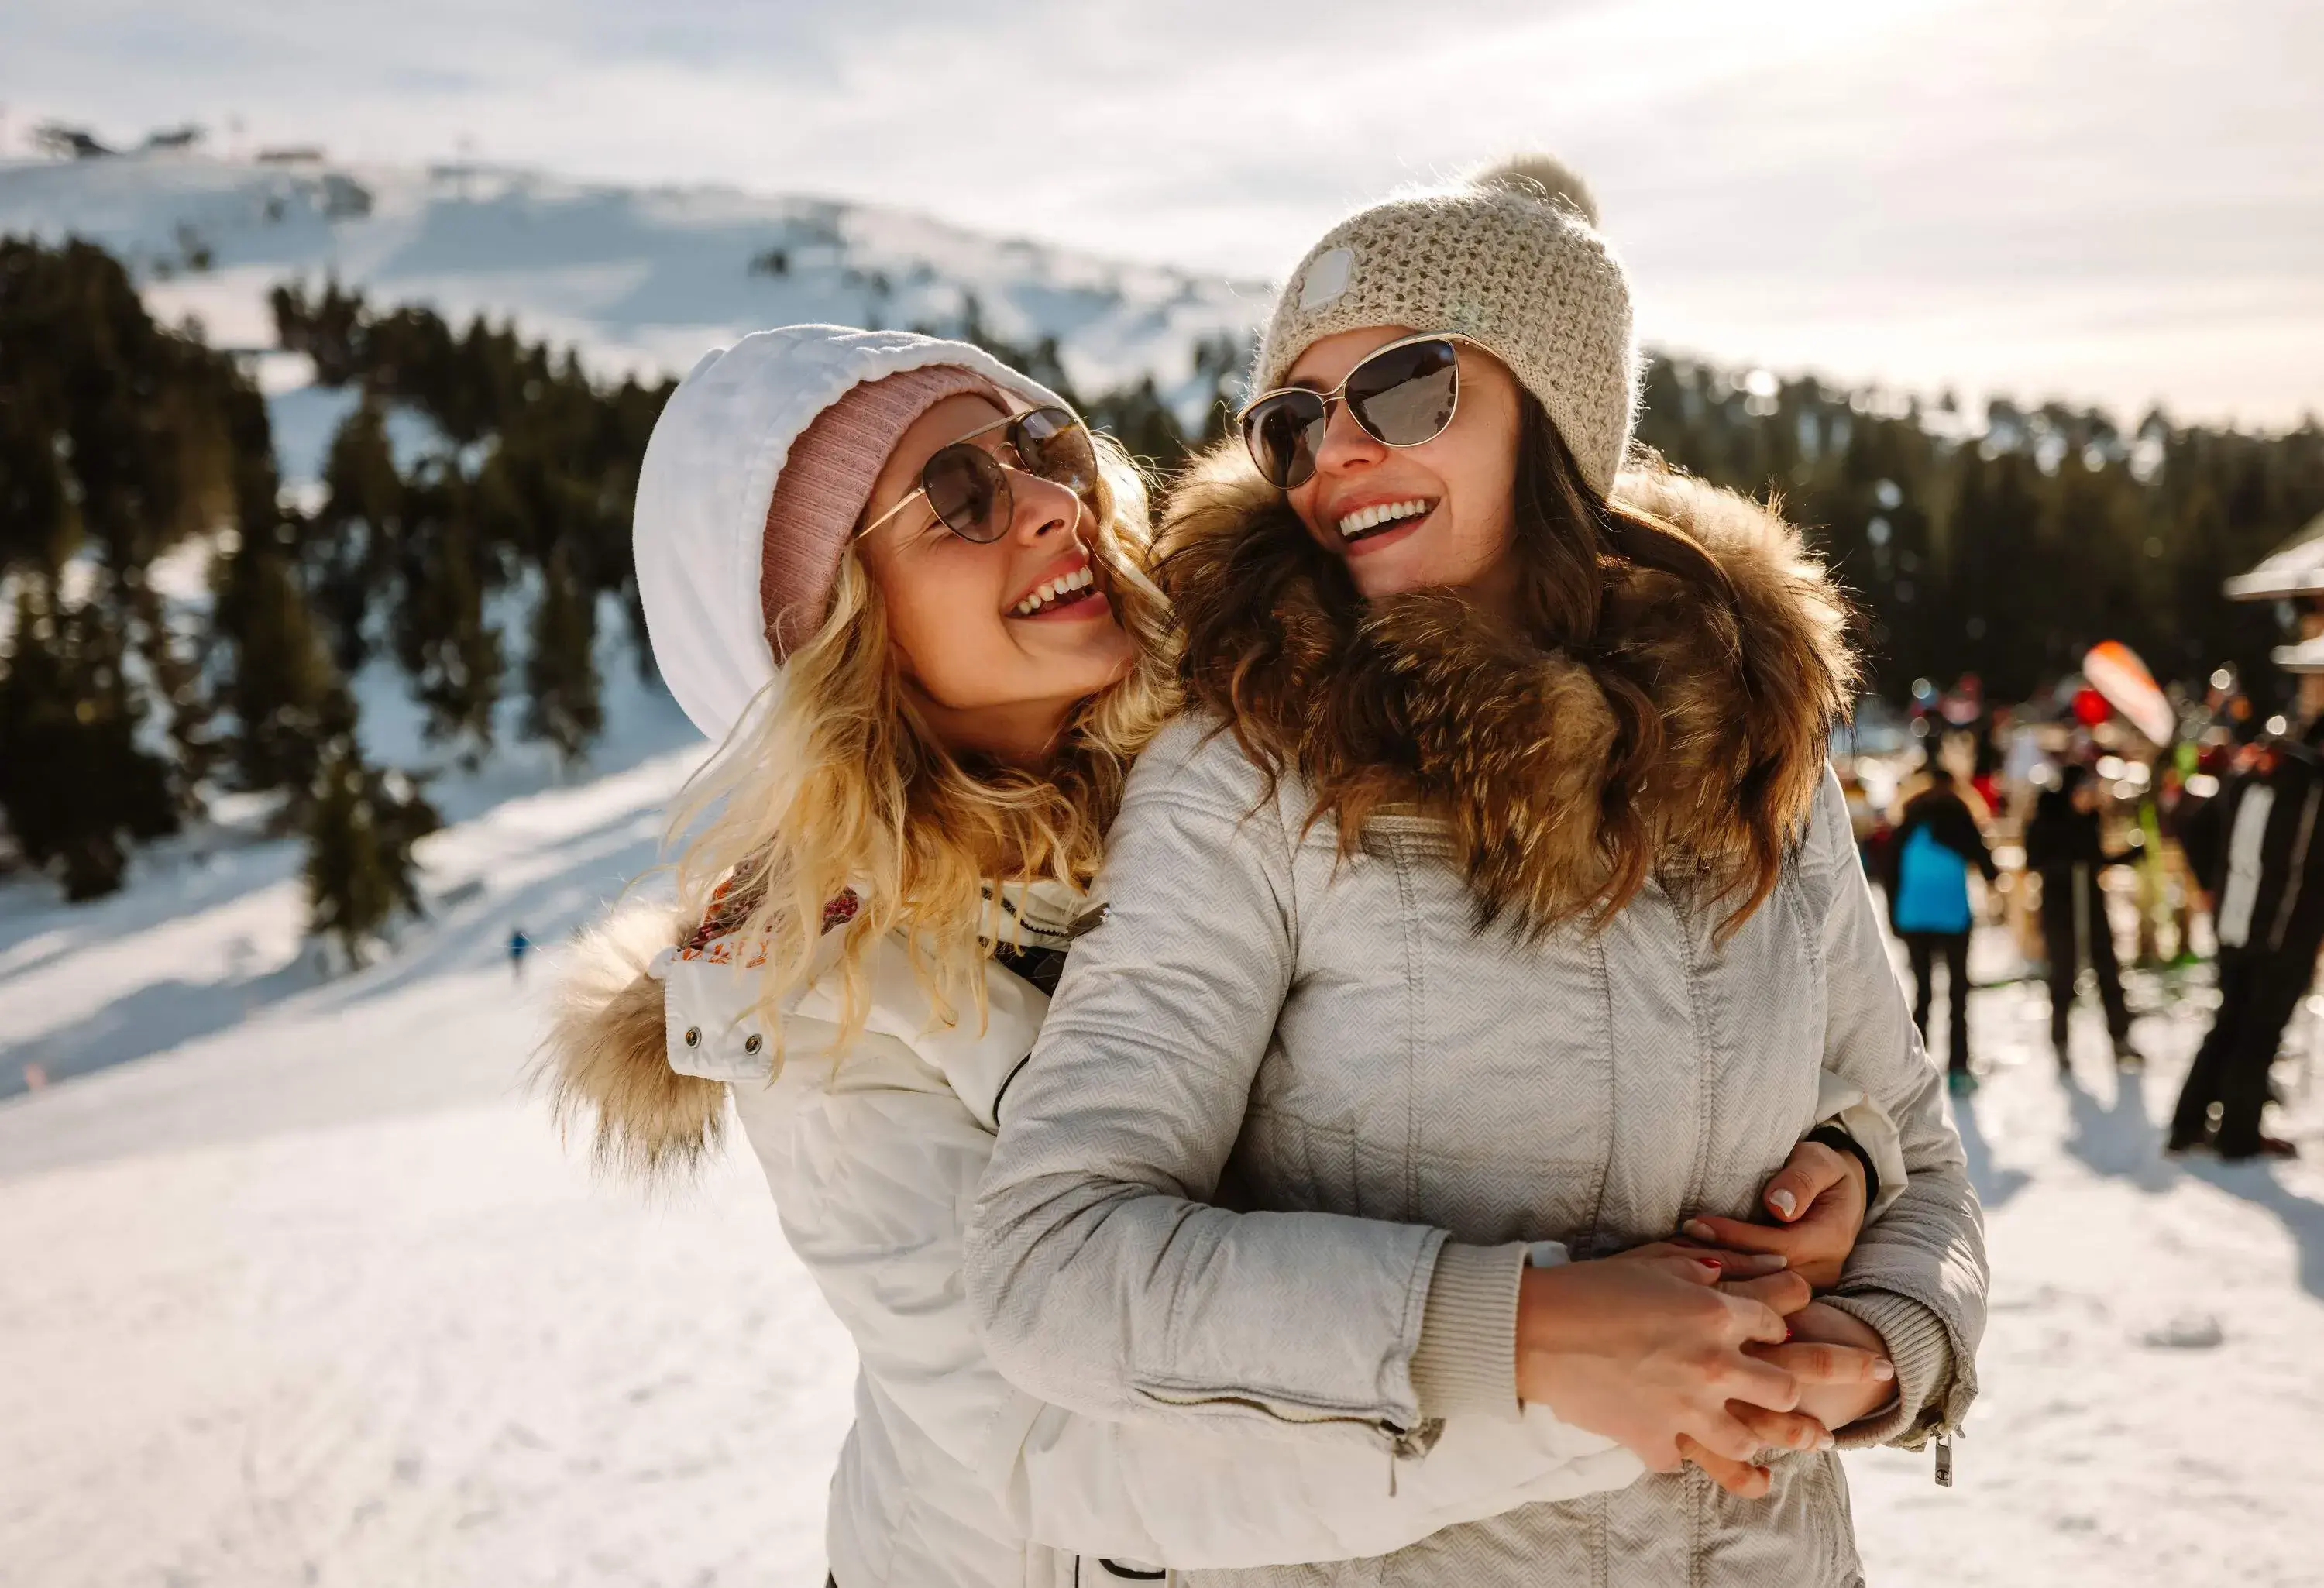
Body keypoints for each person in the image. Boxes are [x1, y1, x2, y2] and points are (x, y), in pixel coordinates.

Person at [536, 326, 1903, 1588]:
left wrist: (1818, 1143)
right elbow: (1082, 1456)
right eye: (958, 496)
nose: (1049, 501)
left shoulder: (1252, 734)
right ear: (827, 633)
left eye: (1042, 446)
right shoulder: (822, 1008)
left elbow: (1521, 998)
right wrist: (1583, 1372)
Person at [969, 156, 1985, 1587]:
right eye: (1292, 422)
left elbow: (1919, 1159)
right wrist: (1519, 1331)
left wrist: (1884, 1346)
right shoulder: (1253, 774)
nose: (1335, 454)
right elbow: (1053, 1263)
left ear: (1557, 412)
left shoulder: (1755, 745)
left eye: (1404, 388)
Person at [2167, 723, 2324, 1160]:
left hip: (2237, 922)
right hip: (2282, 930)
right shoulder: (2309, 786)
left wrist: (2212, 886)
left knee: (2232, 1022)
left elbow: (2193, 825)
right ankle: (2237, 1133)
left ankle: (2189, 1123)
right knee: (2257, 1031)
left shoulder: (2252, 775)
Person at [1887, 765, 1998, 1092]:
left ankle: (1914, 1072)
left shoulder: (1907, 819)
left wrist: (1895, 919)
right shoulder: (1960, 816)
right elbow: (1988, 867)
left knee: (1922, 992)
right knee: (1958, 992)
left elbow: (1890, 870)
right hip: (1953, 916)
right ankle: (1959, 1069)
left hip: (1913, 916)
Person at [2025, 763, 2143, 1071]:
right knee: (2063, 973)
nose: (2089, 799)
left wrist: (2127, 856)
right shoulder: (2047, 818)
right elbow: (2034, 859)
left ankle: (2120, 1036)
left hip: (2090, 903)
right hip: (2060, 907)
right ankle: (2061, 1041)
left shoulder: (2090, 819)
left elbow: (2095, 860)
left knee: (2107, 970)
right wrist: (2065, 868)